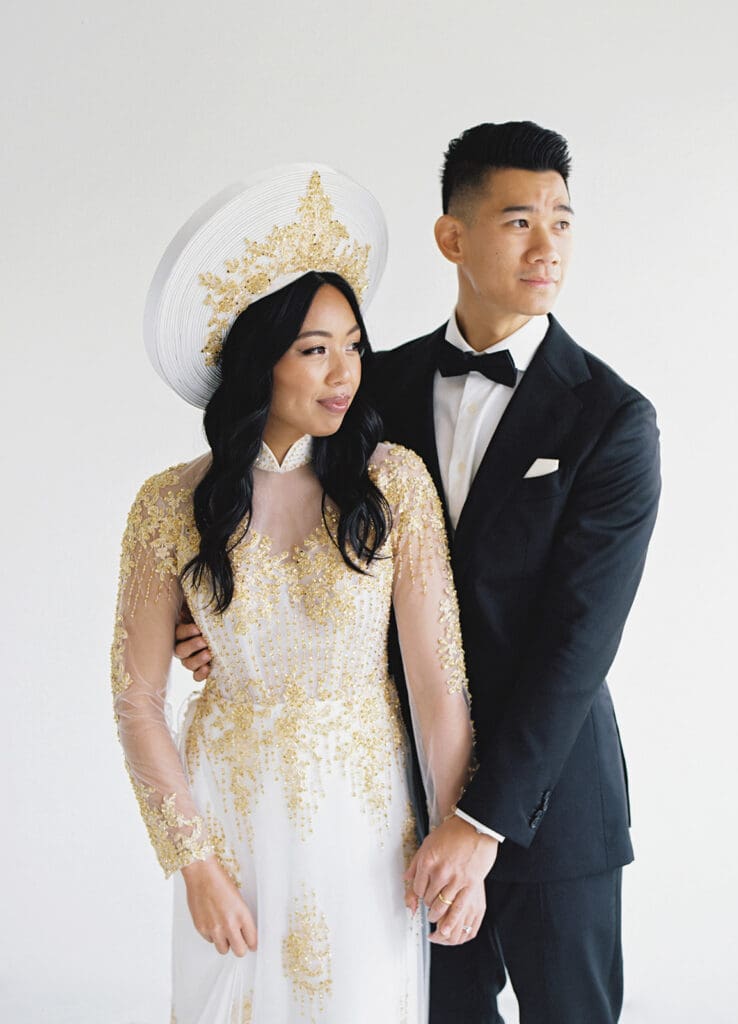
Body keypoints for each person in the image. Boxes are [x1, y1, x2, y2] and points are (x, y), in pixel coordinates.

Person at [177, 124, 661, 1023]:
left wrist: (479, 821)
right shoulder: (370, 388)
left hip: (551, 805)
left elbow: (578, 643)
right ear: (452, 237)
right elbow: (278, 519)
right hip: (389, 809)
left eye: (561, 220)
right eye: (518, 221)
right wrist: (217, 622)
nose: (547, 246)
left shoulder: (612, 417)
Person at [111, 166, 480, 1024]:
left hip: (365, 814)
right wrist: (194, 863)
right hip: (227, 813)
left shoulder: (394, 484)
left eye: (352, 344)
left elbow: (438, 684)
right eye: (315, 350)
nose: (344, 372)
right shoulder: (168, 504)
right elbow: (135, 700)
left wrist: (457, 840)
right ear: (258, 361)